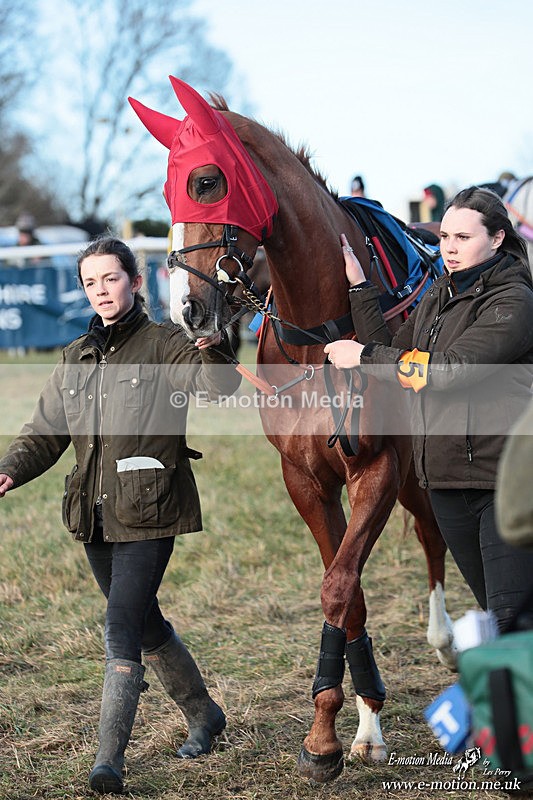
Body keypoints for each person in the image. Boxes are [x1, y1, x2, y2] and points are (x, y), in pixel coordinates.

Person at [0, 236, 241, 794]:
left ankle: (108, 762)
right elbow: (45, 432)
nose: (101, 291)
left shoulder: (164, 345)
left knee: (120, 627)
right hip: (95, 517)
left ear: (135, 282)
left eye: (111, 279)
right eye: (90, 282)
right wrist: (10, 469)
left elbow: (216, 383)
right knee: (144, 621)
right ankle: (205, 714)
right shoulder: (76, 357)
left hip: (151, 513)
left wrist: (215, 342)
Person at [324, 186, 533, 633]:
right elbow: (395, 355)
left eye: (463, 237)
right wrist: (361, 288)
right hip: (444, 483)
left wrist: (363, 358)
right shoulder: (439, 294)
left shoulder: (513, 300)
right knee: (500, 620)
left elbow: (451, 371)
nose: (450, 248)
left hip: (505, 483)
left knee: (513, 623)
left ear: (497, 238)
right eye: (444, 238)